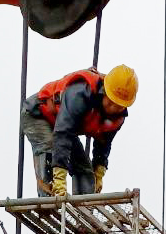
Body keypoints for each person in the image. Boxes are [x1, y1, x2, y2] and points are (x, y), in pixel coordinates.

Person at [21, 64, 138, 198]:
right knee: (50, 152)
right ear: (104, 92)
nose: (113, 109)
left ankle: (84, 206)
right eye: (111, 102)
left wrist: (99, 172)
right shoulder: (80, 93)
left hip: (62, 125)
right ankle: (49, 199)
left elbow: (103, 144)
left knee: (84, 170)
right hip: (39, 115)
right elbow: (63, 134)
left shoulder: (117, 118)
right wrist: (59, 178)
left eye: (119, 106)